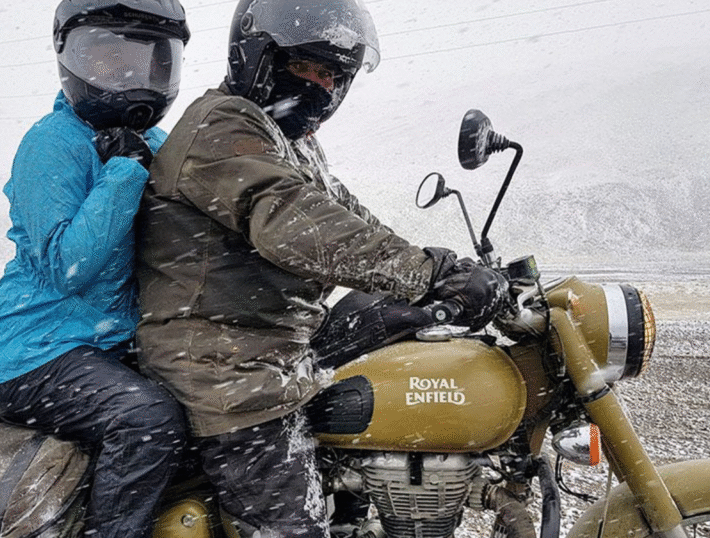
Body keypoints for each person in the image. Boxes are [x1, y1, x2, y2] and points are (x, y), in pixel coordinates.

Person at [135, 0, 507, 535]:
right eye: (306, 66)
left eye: (333, 75)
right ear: (257, 57)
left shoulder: (289, 140)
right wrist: (425, 274)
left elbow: (345, 214)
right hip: (226, 373)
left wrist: (441, 265)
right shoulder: (222, 124)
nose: (321, 86)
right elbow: (294, 222)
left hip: (276, 356)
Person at [0, 1, 190, 536]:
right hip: (34, 352)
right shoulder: (53, 142)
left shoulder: (153, 143)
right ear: (74, 59)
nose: (127, 75)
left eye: (142, 60)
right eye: (108, 58)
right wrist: (123, 173)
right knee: (145, 421)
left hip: (108, 343)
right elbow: (69, 268)